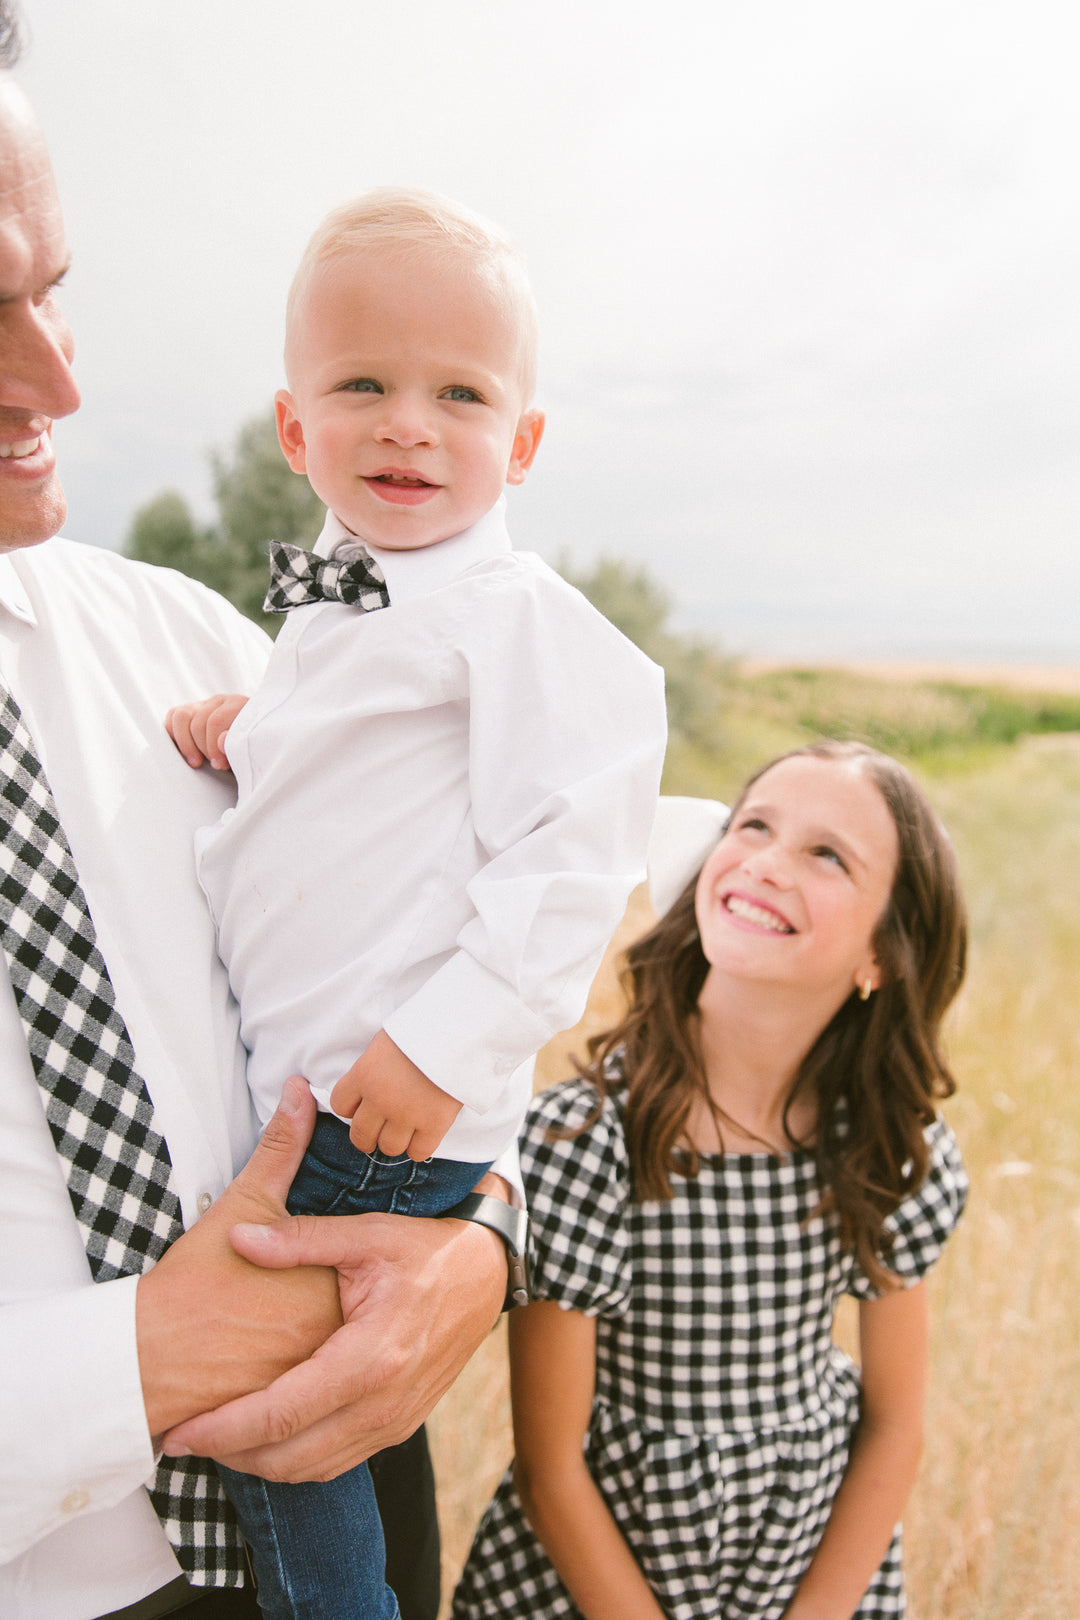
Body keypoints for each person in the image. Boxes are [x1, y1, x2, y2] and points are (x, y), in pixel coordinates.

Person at [0, 21, 516, 1620]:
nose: (60, 379)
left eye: (51, 285)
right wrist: (143, 1361)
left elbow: (469, 960)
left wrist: (480, 1251)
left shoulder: (207, 645)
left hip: (353, 1526)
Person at [164, 187, 667, 1619]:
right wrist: (245, 723)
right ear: (292, 426)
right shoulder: (340, 609)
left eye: (459, 394)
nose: (407, 425)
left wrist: (441, 1048)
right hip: (326, 1098)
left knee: (285, 1409)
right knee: (303, 1406)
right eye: (362, 386)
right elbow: (347, 776)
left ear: (521, 443)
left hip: (387, 1106)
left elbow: (573, 859)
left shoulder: (516, 618)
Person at [454, 740, 970, 1620]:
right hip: (608, 1580)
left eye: (826, 854)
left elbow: (892, 1430)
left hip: (807, 1567)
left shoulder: (885, 1148)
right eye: (753, 825)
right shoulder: (587, 1143)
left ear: (880, 956)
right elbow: (553, 1472)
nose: (767, 862)